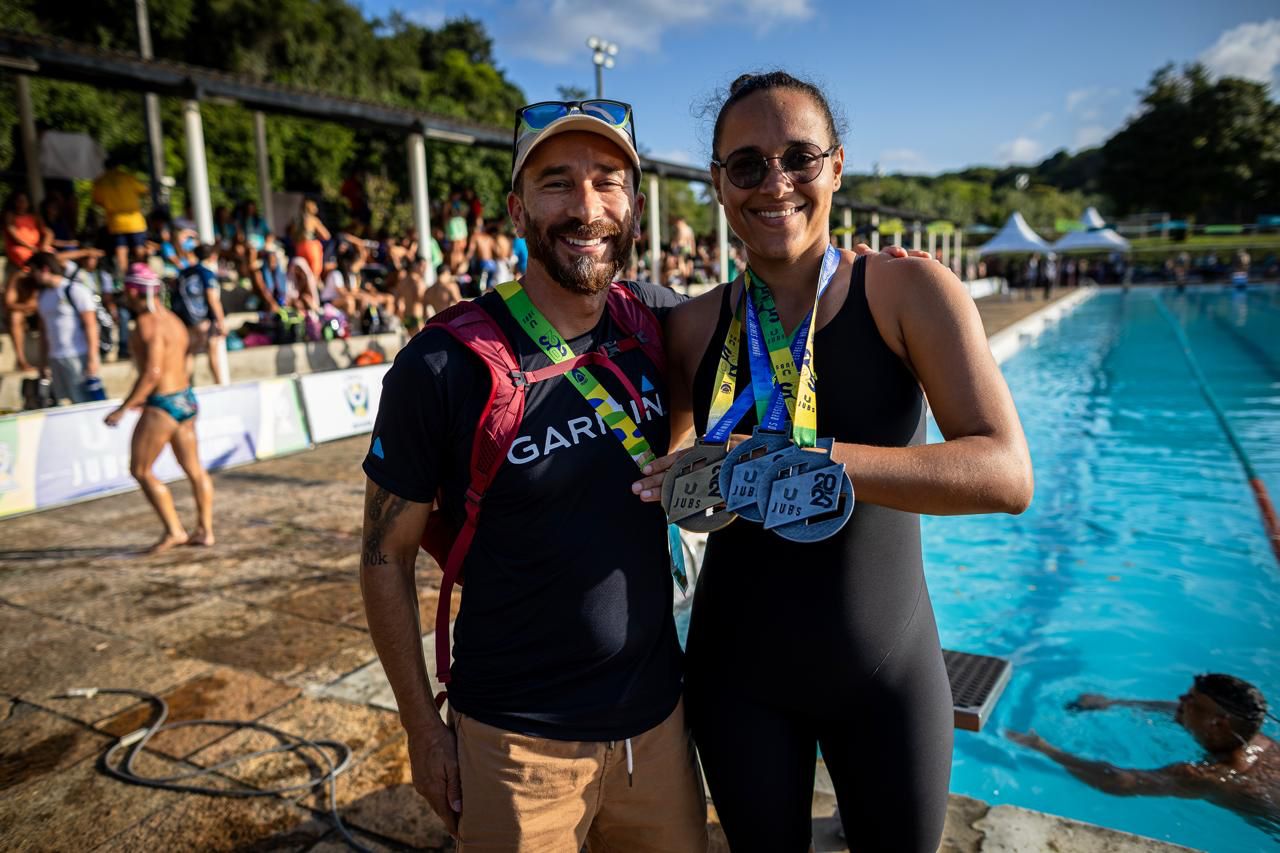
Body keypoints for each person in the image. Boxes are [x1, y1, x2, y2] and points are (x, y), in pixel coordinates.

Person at [631, 71, 1033, 852]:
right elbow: (661, 467)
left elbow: (1006, 473)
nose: (773, 183)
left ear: (836, 167)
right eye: (745, 165)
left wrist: (804, 459)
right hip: (736, 675)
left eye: (799, 158)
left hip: (886, 672)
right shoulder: (690, 328)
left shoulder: (907, 290)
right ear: (718, 184)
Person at [358, 98, 708, 851]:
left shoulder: (657, 321)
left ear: (635, 208)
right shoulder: (442, 362)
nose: (587, 207)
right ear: (517, 210)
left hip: (656, 728)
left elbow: (780, 311)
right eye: (557, 183)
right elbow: (384, 556)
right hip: (517, 746)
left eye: (608, 181)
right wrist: (421, 727)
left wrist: (872, 271)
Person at [1009, 674, 1279, 830]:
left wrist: (1043, 748)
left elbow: (1117, 781)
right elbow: (1174, 708)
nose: (1180, 701)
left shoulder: (1207, 776)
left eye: (1190, 700)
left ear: (1217, 723)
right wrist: (1115, 702)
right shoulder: (1258, 739)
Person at [104, 264, 214, 553]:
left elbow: (152, 372)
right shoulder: (173, 320)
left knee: (140, 470)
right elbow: (186, 353)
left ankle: (174, 530)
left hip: (163, 405)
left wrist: (123, 408)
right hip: (185, 399)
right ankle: (205, 530)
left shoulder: (146, 324)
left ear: (132, 292)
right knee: (194, 470)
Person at [28, 252, 101, 405]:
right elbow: (44, 332)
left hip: (77, 355)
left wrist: (93, 358)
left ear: (45, 269)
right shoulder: (43, 297)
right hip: (55, 358)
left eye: (34, 271)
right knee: (63, 402)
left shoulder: (74, 290)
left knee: (84, 402)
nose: (32, 276)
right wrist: (43, 362)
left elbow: (91, 325)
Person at [172, 245, 227, 385]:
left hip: (187, 318)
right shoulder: (206, 273)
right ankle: (219, 383)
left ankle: (184, 383)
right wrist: (221, 321)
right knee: (212, 349)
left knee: (191, 351)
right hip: (202, 318)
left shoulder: (185, 272)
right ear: (213, 256)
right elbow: (212, 298)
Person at [92, 157, 149, 277]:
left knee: (121, 251)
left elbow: (97, 200)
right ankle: (143, 273)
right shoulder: (127, 177)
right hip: (134, 220)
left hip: (115, 221)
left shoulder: (100, 181)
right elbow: (144, 190)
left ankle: (124, 278)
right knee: (139, 248)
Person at [290, 199, 329, 278]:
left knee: (303, 272)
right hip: (311, 246)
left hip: (299, 247)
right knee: (314, 272)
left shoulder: (297, 219)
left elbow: (292, 235)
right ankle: (313, 288)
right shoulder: (313, 219)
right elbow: (326, 235)